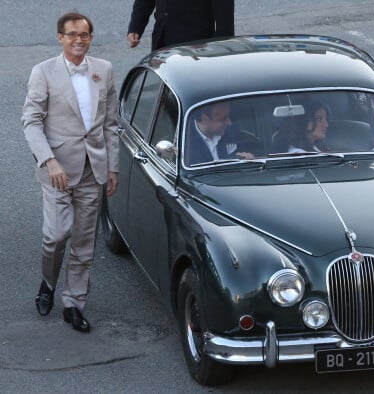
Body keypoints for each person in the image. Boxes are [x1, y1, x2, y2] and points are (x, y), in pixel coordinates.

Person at [21, 12, 119, 332]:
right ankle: (48, 283)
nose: (79, 40)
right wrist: (49, 160)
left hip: (93, 169)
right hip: (57, 172)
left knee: (83, 241)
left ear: (91, 38)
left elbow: (110, 125)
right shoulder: (43, 72)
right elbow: (32, 121)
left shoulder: (104, 70)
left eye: (85, 35)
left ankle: (73, 302)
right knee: (56, 236)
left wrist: (113, 167)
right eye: (73, 34)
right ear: (60, 38)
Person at [127, 0, 235, 51]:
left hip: (196, 46)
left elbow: (224, 13)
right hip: (161, 43)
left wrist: (223, 48)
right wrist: (135, 27)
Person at [186, 101, 255, 165]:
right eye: (223, 119)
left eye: (229, 116)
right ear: (205, 119)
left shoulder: (234, 132)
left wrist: (250, 159)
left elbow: (247, 155)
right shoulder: (185, 142)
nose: (229, 122)